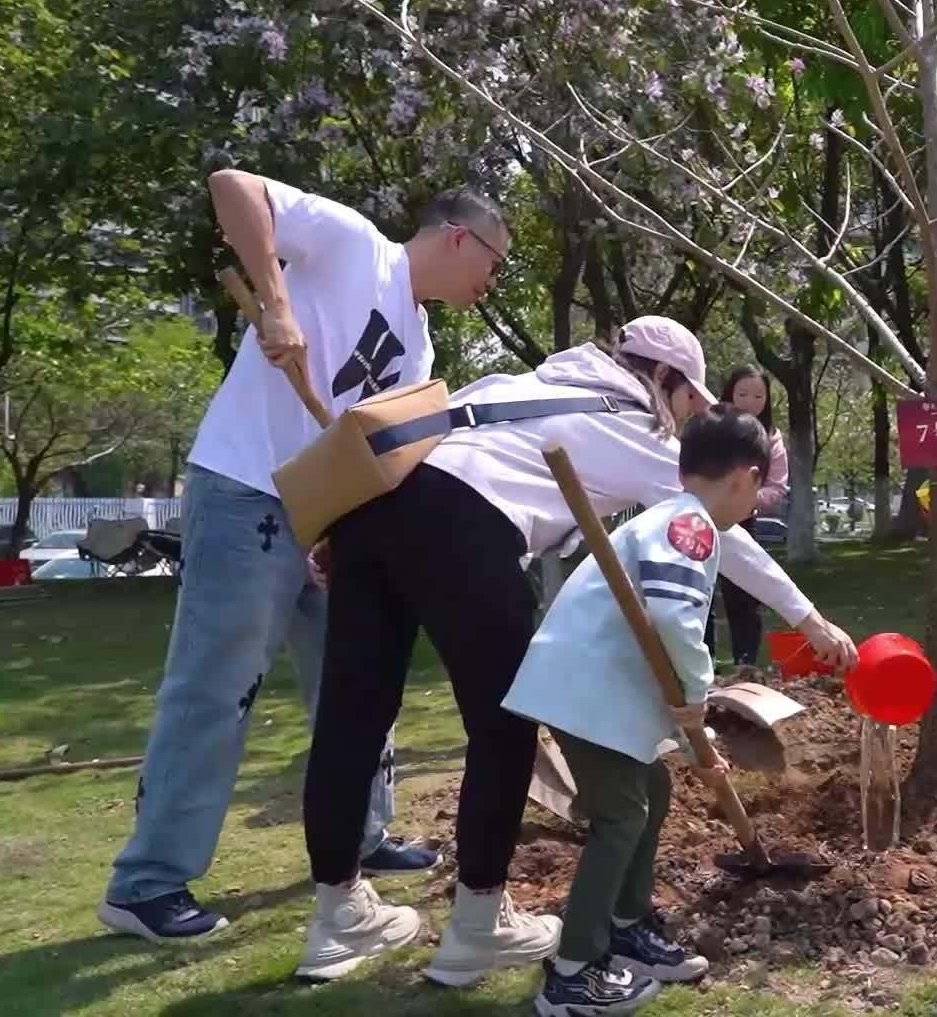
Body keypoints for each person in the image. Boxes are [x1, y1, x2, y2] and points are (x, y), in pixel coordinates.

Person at [295, 315, 860, 984]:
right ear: (662, 378)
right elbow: (720, 532)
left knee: (349, 722)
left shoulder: (513, 384)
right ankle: (479, 923)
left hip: (369, 513)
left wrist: (357, 542)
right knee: (503, 727)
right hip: (468, 528)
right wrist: (809, 616)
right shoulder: (632, 421)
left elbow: (414, 458)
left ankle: (337, 919)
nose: (685, 422)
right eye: (687, 401)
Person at [98, 170, 505, 943]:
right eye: (494, 262)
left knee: (360, 684)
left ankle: (363, 838)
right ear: (461, 237)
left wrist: (346, 530)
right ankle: (147, 882)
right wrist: (277, 305)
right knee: (217, 688)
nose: (491, 282)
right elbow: (230, 187)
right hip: (246, 489)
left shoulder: (417, 344)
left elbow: (373, 453)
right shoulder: (353, 245)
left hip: (331, 521)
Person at [505, 404, 775, 1015]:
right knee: (622, 817)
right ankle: (573, 970)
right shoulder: (693, 527)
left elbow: (656, 648)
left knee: (652, 791)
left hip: (596, 690)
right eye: (759, 488)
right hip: (586, 692)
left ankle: (626, 926)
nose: (756, 504)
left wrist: (688, 737)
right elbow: (675, 623)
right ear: (744, 477)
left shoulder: (671, 518)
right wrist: (700, 696)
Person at [703, 366, 789, 666]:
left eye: (758, 395)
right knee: (701, 594)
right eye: (742, 394)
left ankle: (746, 665)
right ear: (729, 394)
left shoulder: (771, 439)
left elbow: (777, 485)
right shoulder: (710, 428)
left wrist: (748, 504)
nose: (750, 401)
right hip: (702, 520)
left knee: (744, 595)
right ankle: (704, 661)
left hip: (743, 521)